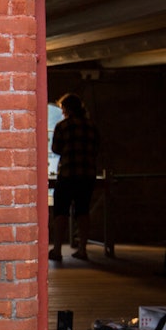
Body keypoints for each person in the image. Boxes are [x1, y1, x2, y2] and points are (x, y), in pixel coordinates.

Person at [50, 93, 99, 262]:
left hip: (68, 174)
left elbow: (56, 148)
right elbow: (97, 149)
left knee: (60, 212)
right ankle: (82, 249)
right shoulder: (92, 126)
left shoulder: (62, 126)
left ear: (67, 109)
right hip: (87, 175)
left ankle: (56, 250)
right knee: (83, 211)